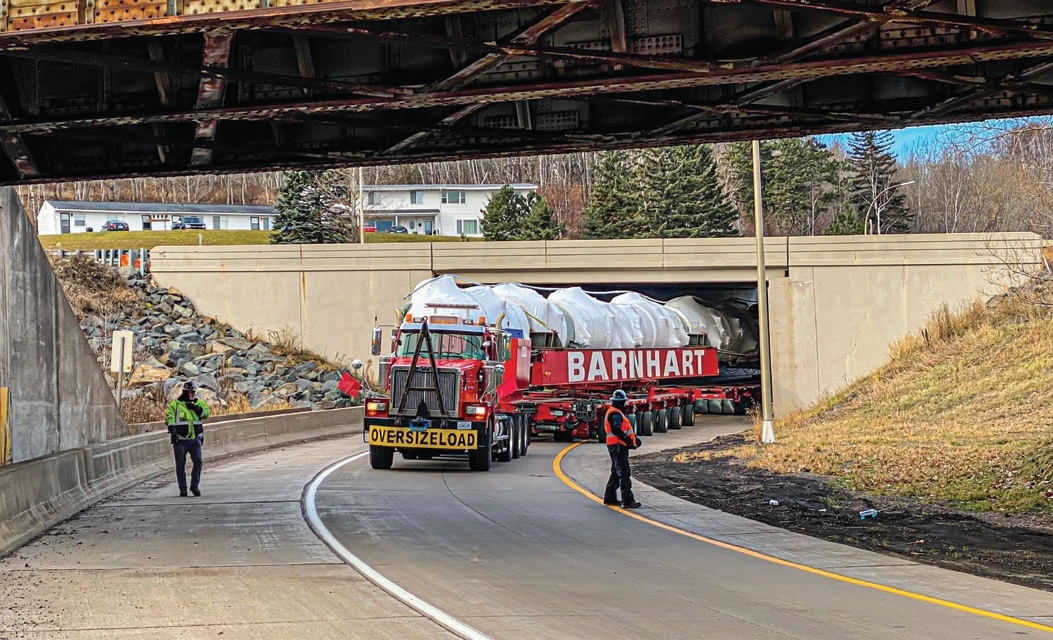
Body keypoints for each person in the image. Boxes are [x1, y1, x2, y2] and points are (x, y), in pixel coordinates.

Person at [166, 381, 210, 497]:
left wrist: (197, 409)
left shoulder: (199, 403)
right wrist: (172, 428)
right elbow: (169, 417)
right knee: (180, 465)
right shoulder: (175, 405)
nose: (191, 394)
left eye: (193, 392)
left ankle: (194, 486)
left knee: (198, 462)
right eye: (189, 392)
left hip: (195, 438)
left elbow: (206, 414)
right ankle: (183, 489)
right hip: (180, 439)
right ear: (184, 392)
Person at [603, 389, 642, 509]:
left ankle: (610, 498)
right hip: (618, 447)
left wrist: (634, 439)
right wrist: (628, 441)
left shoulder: (615, 412)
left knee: (616, 473)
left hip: (616, 446)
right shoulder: (615, 414)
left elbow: (623, 429)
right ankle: (628, 501)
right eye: (623, 402)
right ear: (621, 402)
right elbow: (616, 430)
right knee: (624, 473)